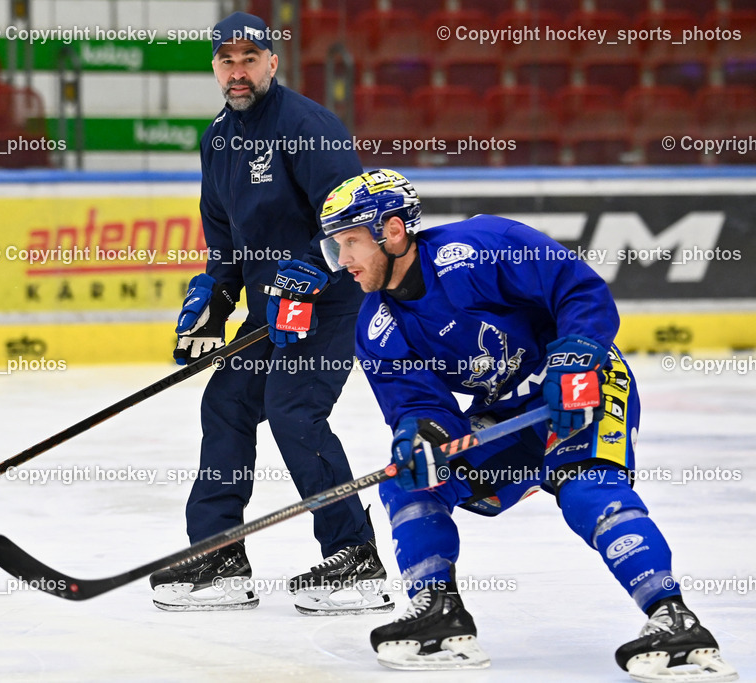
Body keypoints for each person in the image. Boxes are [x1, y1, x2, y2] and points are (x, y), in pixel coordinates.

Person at [316, 169, 738, 680]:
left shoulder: (484, 244)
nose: (343, 262)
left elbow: (578, 290)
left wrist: (576, 359)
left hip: (587, 384)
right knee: (413, 480)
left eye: (352, 242)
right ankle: (439, 615)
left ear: (394, 230)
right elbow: (417, 404)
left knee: (585, 486)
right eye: (336, 246)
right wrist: (420, 436)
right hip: (511, 415)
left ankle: (674, 621)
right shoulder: (377, 326)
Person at [148, 12, 391, 615]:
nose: (238, 71)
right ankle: (219, 554)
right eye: (227, 60)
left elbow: (353, 221)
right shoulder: (218, 140)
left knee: (293, 411)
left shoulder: (309, 126)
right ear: (214, 67)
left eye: (249, 59)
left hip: (330, 306)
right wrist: (214, 303)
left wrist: (312, 265)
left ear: (272, 63)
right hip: (269, 311)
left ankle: (355, 559)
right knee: (226, 403)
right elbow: (225, 242)